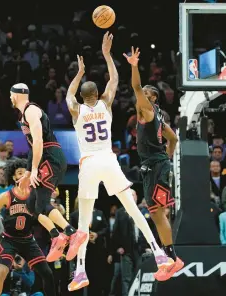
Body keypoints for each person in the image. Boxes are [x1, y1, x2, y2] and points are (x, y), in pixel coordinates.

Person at [66, 33, 175, 291]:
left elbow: (70, 94)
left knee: (83, 222)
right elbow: (114, 79)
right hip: (108, 159)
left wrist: (79, 72)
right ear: (98, 94)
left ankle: (80, 271)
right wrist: (106, 54)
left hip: (89, 163)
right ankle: (159, 253)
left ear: (83, 96)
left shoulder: (76, 109)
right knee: (134, 209)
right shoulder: (106, 104)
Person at [124, 47, 184, 276]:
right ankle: (171, 258)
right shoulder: (157, 114)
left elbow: (137, 86)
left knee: (158, 213)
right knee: (157, 213)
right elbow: (173, 138)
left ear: (151, 98)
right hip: (155, 165)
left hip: (155, 165)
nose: (138, 97)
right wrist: (166, 158)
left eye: (144, 95)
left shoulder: (148, 110)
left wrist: (133, 65)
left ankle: (171, 258)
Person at [10, 82, 86, 262]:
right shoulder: (24, 115)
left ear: (17, 94)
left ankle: (72, 233)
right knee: (31, 205)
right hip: (46, 158)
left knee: (43, 204)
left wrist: (35, 169)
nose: (10, 98)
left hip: (51, 158)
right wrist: (28, 172)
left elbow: (38, 141)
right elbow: (31, 147)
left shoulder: (31, 110)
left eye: (11, 94)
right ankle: (56, 237)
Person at [0, 159, 56, 296]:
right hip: (9, 239)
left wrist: (56, 232)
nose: (24, 175)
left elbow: (45, 215)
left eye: (26, 173)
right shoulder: (6, 196)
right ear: (14, 177)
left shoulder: (35, 196)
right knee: (1, 272)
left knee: (47, 273)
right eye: (20, 173)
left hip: (28, 240)